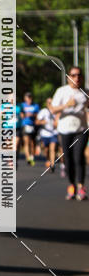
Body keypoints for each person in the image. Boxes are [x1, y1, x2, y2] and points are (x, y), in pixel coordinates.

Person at [52, 67, 89, 200]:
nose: (76, 78)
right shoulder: (61, 91)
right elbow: (53, 110)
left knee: (79, 157)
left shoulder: (85, 92)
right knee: (68, 160)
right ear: (68, 77)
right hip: (65, 130)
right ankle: (71, 184)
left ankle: (81, 187)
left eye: (79, 75)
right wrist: (67, 105)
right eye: (73, 75)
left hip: (81, 130)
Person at [36, 97, 58, 172]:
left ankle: (52, 164)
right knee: (46, 149)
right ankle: (48, 160)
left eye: (51, 103)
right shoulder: (43, 111)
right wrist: (42, 122)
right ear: (46, 103)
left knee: (53, 149)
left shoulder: (56, 111)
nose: (50, 104)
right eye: (49, 103)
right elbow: (37, 122)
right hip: (45, 133)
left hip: (54, 133)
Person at [20, 91, 40, 165]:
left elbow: (38, 115)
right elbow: (21, 115)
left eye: (30, 97)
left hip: (33, 125)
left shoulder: (36, 105)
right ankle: (28, 157)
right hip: (25, 125)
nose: (29, 99)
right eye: (28, 97)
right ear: (25, 98)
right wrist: (25, 114)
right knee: (26, 141)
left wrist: (32, 115)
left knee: (32, 143)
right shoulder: (22, 105)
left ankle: (32, 156)